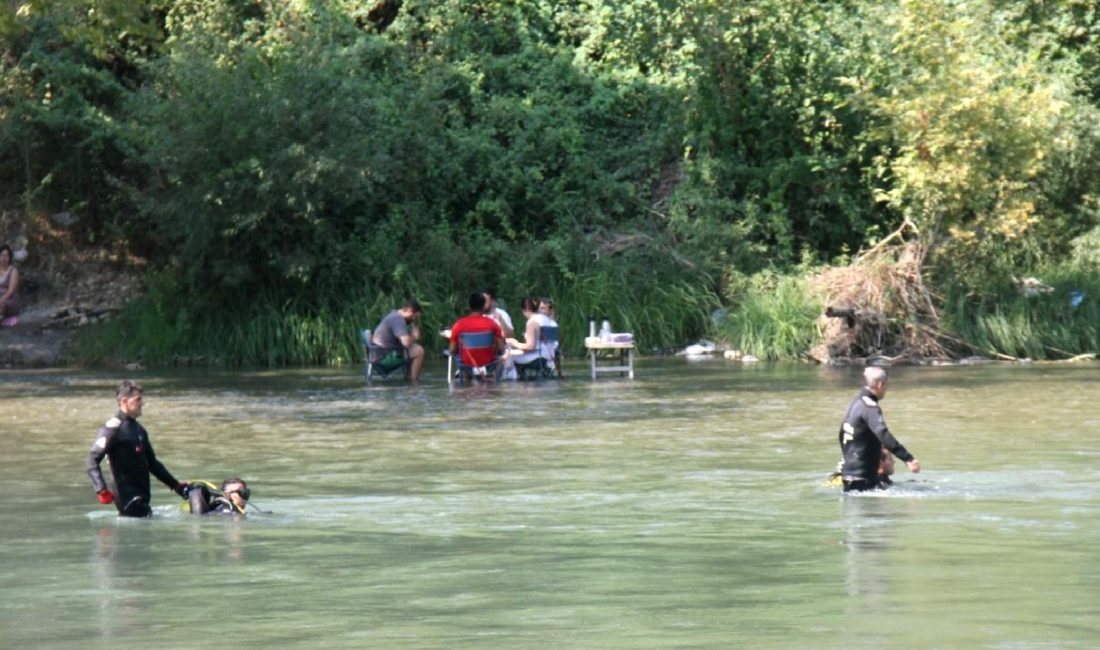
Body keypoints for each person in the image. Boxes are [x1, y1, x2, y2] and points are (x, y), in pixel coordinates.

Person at [86, 380, 190, 517]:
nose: (142, 403)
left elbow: (153, 464)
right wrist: (101, 490)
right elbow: (91, 460)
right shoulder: (112, 428)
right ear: (124, 401)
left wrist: (176, 486)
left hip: (143, 502)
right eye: (138, 399)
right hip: (129, 503)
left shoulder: (139, 429)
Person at [837, 367, 920, 492]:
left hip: (849, 476)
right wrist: (908, 458)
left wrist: (850, 459)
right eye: (886, 386)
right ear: (880, 385)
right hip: (863, 480)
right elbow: (882, 433)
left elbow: (842, 433)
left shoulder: (855, 404)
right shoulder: (870, 407)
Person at [450, 292, 504, 381]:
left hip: (466, 366)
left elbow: (452, 350)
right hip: (489, 366)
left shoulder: (459, 324)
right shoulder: (492, 324)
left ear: (469, 306)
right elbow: (501, 348)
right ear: (483, 306)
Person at [371, 299, 425, 383]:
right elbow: (406, 343)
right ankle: (413, 382)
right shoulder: (398, 319)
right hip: (384, 359)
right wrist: (414, 336)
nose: (414, 320)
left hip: (377, 355)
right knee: (419, 350)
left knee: (414, 348)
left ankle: (409, 377)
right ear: (410, 311)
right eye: (415, 317)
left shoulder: (394, 315)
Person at [505, 296, 557, 374]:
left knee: (508, 356)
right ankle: (520, 378)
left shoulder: (532, 322)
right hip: (548, 357)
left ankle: (510, 382)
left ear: (525, 310)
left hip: (537, 358)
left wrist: (514, 343)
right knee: (511, 354)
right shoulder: (547, 319)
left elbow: (530, 347)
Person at [186, 477, 251, 516]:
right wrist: (236, 508)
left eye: (241, 493)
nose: (237, 496)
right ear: (224, 495)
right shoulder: (226, 511)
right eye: (232, 493)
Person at [0, 243, 21, 320]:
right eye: (1, 255)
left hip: (9, 300)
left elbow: (11, 291)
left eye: (6, 255)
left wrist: (1, 300)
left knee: (1, 305)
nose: (4, 258)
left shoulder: (13, 270)